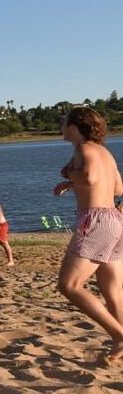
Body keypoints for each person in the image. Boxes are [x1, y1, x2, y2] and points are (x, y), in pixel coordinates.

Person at [53, 107, 123, 363]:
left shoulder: (83, 148)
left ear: (75, 126)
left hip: (95, 221)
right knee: (112, 289)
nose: (61, 126)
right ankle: (120, 345)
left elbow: (90, 177)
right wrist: (73, 183)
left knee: (69, 285)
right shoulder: (105, 153)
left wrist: (70, 174)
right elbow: (117, 188)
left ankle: (119, 335)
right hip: (115, 219)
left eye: (64, 122)